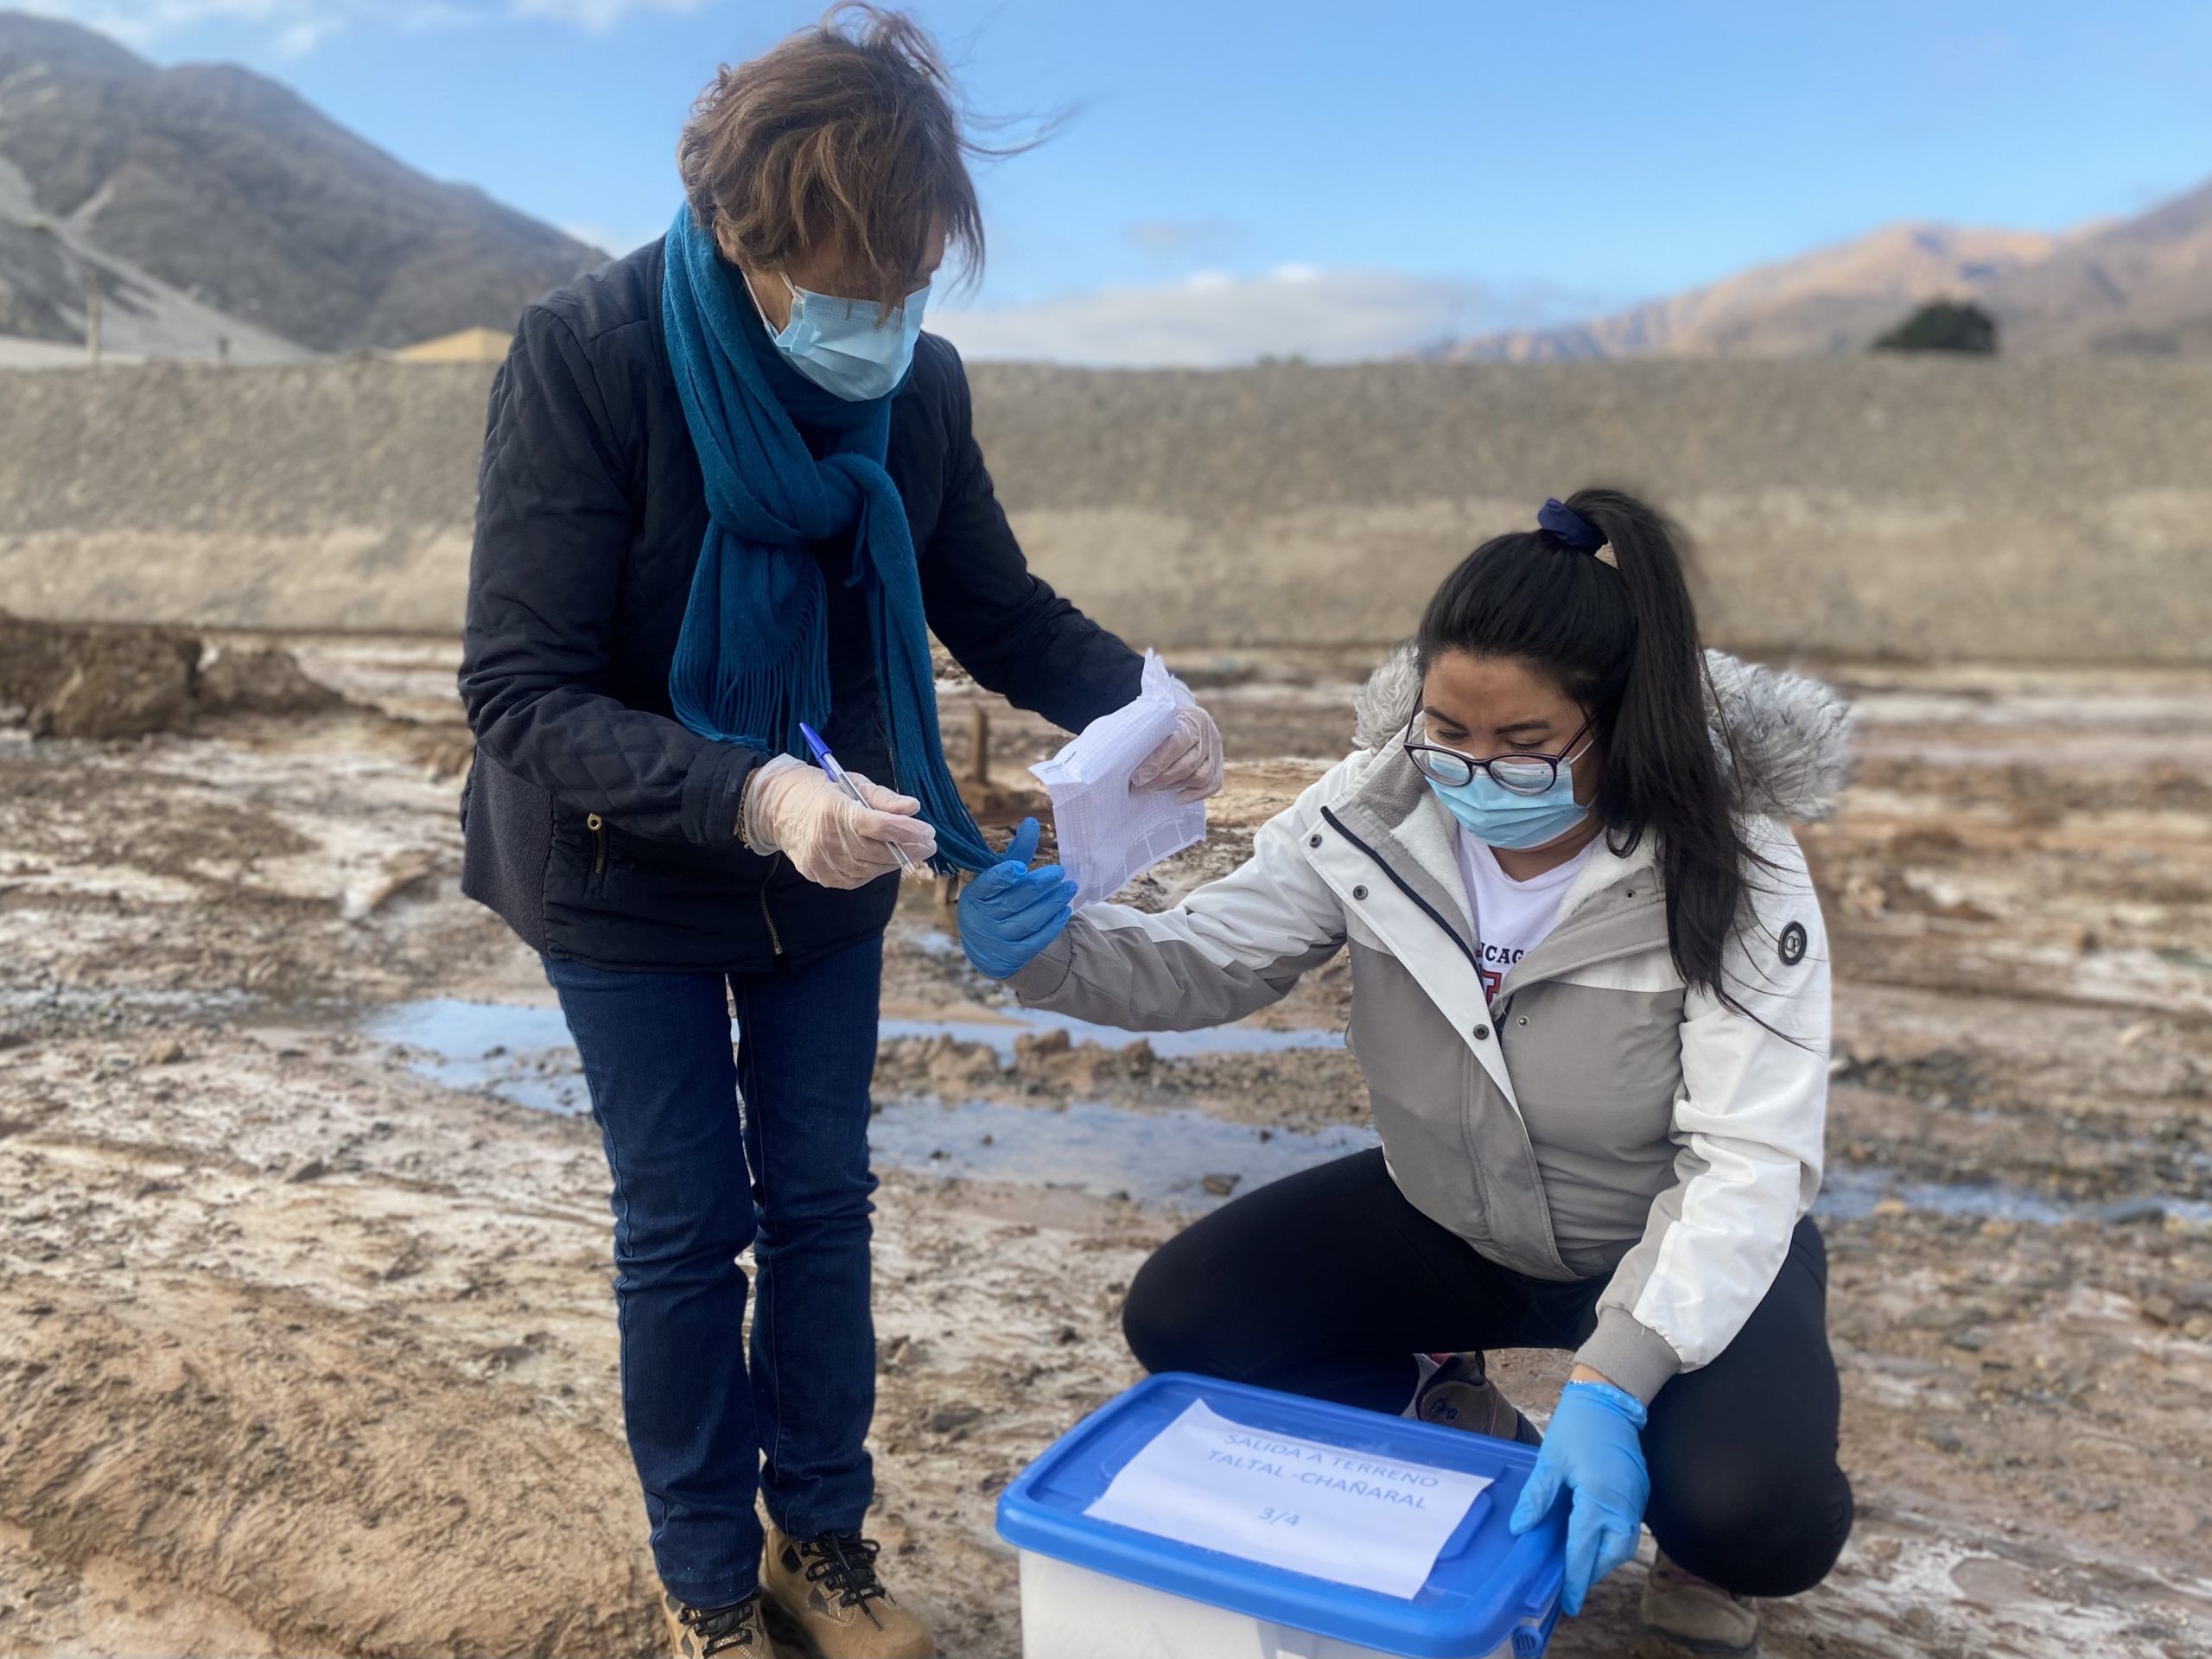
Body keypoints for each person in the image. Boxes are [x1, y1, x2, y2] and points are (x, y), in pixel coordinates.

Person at [456, 10, 1224, 1656]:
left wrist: (1149, 704)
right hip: (620, 866)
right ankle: (709, 1586)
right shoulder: (589, 355)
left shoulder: (914, 391)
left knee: (818, 1203)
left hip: (839, 867)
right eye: (847, 273)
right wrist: (755, 791)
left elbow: (991, 604)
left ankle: (824, 1541)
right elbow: (517, 690)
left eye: (912, 277)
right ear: (745, 233)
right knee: (686, 1223)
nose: (881, 313)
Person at [957, 490, 1853, 1657]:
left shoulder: (1733, 873)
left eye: (1524, 744)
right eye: (1448, 731)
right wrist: (1051, 954)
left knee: (1754, 1513)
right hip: (1453, 1215)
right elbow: (1207, 960)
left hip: (1668, 1236)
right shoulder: (1370, 813)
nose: (1475, 771)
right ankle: (1451, 1407)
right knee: (1191, 1319)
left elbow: (1747, 1160)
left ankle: (1691, 1535)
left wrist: (1614, 1384)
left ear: (1620, 724)